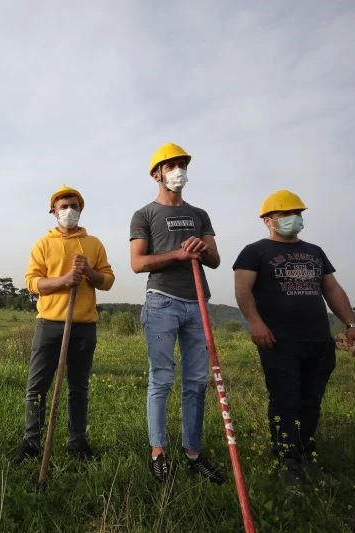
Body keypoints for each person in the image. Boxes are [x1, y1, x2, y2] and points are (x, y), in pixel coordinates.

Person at [233, 190, 355, 483]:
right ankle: (287, 463)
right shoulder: (254, 251)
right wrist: (255, 323)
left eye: (299, 213)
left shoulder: (315, 251)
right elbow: (243, 290)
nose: (296, 219)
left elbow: (332, 289)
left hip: (318, 340)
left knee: (310, 402)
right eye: (287, 214)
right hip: (279, 341)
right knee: (285, 400)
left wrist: (352, 324)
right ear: (267, 220)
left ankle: (307, 456)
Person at [129, 143, 226, 484]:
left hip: (198, 303)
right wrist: (177, 255)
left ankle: (193, 452)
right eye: (171, 165)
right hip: (162, 302)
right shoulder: (144, 214)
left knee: (197, 382)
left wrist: (201, 250)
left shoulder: (200, 214)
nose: (178, 170)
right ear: (156, 174)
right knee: (162, 378)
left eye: (182, 164)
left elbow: (214, 259)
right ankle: (158, 451)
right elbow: (138, 263)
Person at [13, 185, 114, 464]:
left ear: (81, 210)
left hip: (83, 325)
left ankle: (77, 443)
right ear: (53, 212)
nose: (69, 211)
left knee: (78, 386)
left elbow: (108, 280)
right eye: (63, 207)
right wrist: (64, 280)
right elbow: (32, 282)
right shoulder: (43, 244)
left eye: (74, 206)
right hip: (49, 324)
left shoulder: (93, 244)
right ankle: (31, 443)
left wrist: (89, 273)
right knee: (37, 387)